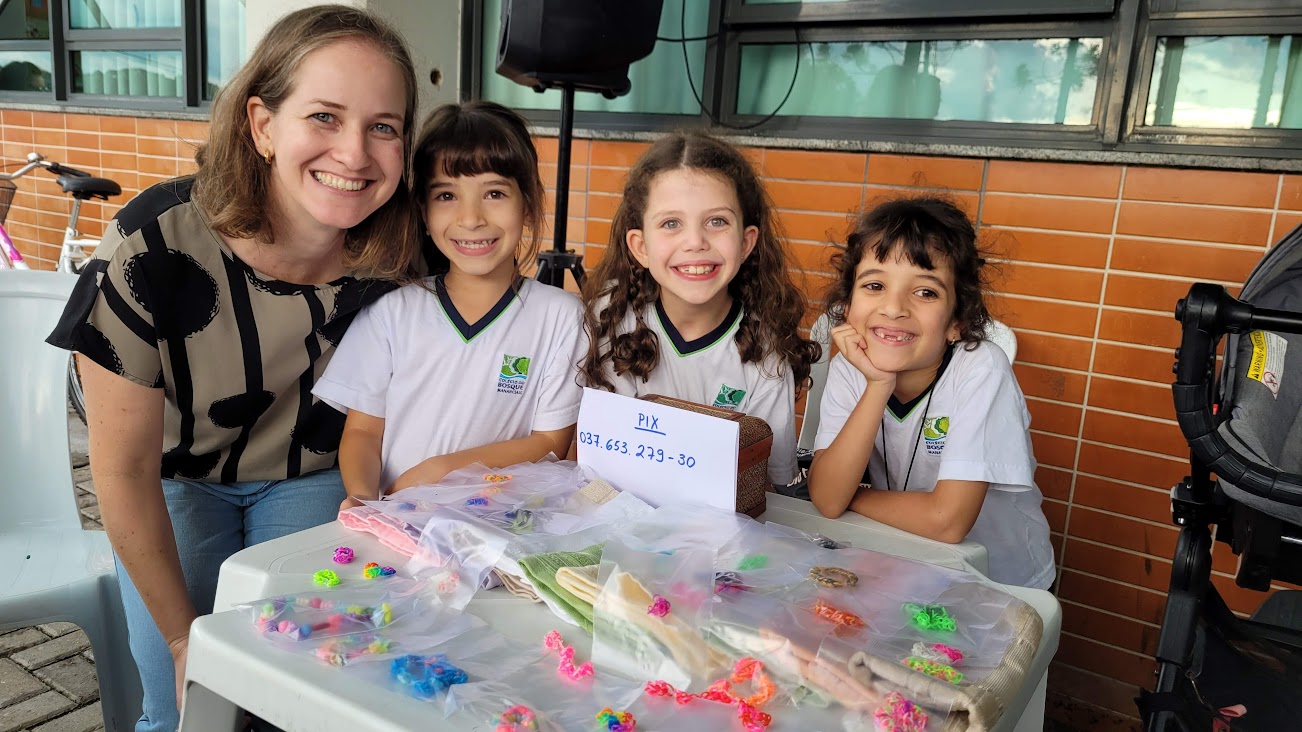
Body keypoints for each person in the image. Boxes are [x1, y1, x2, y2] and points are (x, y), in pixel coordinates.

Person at [45, 6, 422, 729]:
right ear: (261, 124)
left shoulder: (402, 252)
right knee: (188, 707)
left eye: (384, 126)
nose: (354, 154)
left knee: (296, 699)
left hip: (307, 476)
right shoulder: (150, 246)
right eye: (324, 116)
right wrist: (188, 639)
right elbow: (120, 472)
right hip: (174, 480)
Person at [314, 101, 585, 505]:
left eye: (494, 193)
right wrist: (361, 496)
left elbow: (550, 441)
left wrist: (441, 471)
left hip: (502, 527)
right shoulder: (392, 311)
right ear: (423, 212)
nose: (471, 218)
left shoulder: (562, 316)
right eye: (446, 195)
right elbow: (363, 432)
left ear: (527, 205)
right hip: (397, 519)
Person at [806, 196, 1055, 589]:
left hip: (998, 583)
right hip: (906, 566)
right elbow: (826, 498)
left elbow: (947, 521)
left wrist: (853, 497)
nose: (893, 308)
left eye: (925, 293)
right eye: (874, 285)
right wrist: (878, 384)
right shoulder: (850, 369)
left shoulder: (980, 368)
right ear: (847, 306)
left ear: (956, 321)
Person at [579, 131, 820, 487]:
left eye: (717, 221)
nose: (695, 242)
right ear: (640, 246)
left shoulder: (766, 354)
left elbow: (768, 487)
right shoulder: (612, 320)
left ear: (746, 242)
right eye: (671, 223)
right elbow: (602, 471)